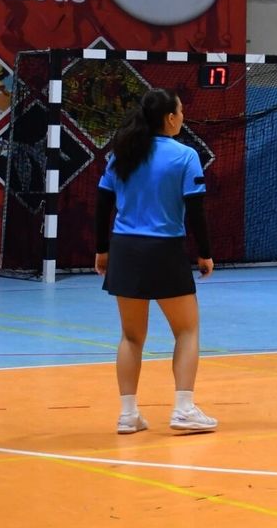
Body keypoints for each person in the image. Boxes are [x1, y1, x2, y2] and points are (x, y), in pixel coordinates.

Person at [95, 89, 217, 434]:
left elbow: (102, 204)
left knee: (131, 336)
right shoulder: (185, 156)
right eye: (181, 111)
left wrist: (102, 249)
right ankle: (184, 409)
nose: (183, 117)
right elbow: (196, 210)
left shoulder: (121, 153)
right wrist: (205, 253)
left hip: (125, 250)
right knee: (187, 330)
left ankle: (127, 415)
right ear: (170, 118)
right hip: (164, 251)